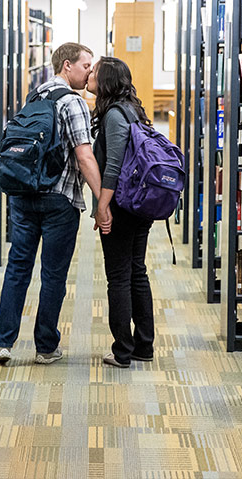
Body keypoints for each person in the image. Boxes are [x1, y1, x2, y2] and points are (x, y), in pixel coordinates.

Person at [0, 42, 108, 365]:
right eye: (86, 66)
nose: (89, 73)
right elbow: (84, 156)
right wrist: (102, 201)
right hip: (60, 198)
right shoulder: (74, 102)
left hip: (23, 194)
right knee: (53, 275)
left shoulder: (34, 96)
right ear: (66, 65)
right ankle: (45, 347)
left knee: (18, 267)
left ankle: (3, 342)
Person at [87, 56, 155, 368]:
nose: (89, 75)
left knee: (119, 276)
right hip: (139, 203)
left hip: (122, 205)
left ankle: (122, 350)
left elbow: (113, 165)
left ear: (106, 82)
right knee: (136, 272)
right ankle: (143, 345)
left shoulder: (114, 115)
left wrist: (102, 206)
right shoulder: (132, 108)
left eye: (94, 72)